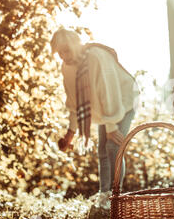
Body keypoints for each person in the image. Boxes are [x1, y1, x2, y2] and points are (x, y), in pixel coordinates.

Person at [50, 29, 139, 209]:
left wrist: (112, 125)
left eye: (66, 50)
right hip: (105, 109)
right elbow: (74, 101)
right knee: (102, 149)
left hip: (124, 100)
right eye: (59, 52)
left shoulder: (95, 58)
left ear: (76, 45)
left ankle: (116, 196)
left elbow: (110, 92)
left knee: (113, 146)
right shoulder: (67, 66)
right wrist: (70, 133)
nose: (63, 56)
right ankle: (104, 194)